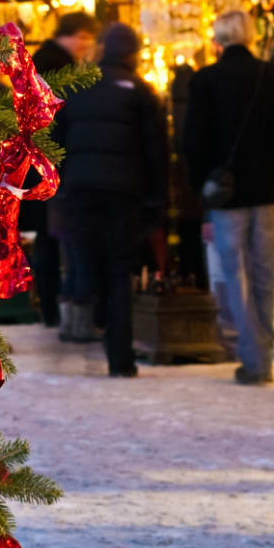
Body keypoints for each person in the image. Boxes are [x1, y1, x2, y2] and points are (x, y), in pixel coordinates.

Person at [184, 10, 274, 385]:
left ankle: (253, 359)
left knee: (235, 277)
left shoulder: (205, 80)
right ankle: (263, 357)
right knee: (265, 274)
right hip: (265, 191)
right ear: (251, 36)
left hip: (225, 196)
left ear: (218, 38)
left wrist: (201, 186)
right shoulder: (273, 77)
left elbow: (193, 141)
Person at [54, 23, 167, 376]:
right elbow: (156, 151)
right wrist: (157, 200)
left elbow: (57, 140)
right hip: (124, 193)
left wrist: (62, 187)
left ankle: (95, 312)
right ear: (133, 53)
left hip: (82, 191)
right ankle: (121, 357)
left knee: (90, 263)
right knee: (119, 269)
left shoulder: (78, 88)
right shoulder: (141, 91)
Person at [23, 11, 97, 329]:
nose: (86, 46)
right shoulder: (58, 64)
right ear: (74, 35)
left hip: (42, 159)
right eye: (85, 38)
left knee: (48, 238)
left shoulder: (43, 59)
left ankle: (51, 307)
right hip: (53, 162)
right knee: (54, 238)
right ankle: (57, 307)